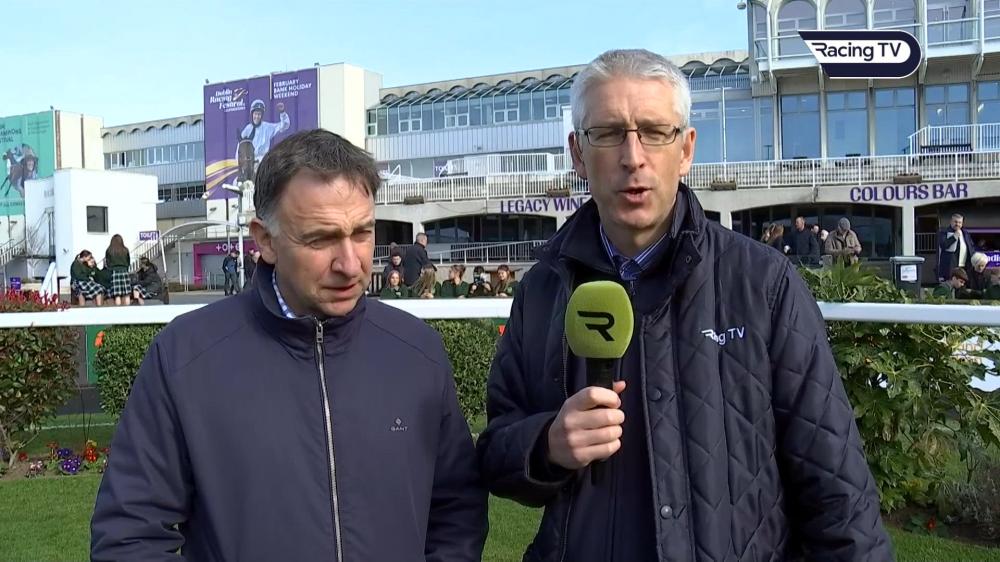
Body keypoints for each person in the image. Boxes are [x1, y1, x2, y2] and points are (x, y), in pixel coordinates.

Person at [475, 49, 890, 562]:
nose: (633, 156)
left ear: (686, 149)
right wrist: (546, 444)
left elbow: (839, 495)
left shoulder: (763, 283)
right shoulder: (542, 290)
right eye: (608, 133)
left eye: (654, 131)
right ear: (578, 154)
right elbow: (495, 450)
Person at [91, 129, 488, 561]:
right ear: (265, 240)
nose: (350, 263)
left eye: (362, 232)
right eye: (320, 239)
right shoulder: (184, 358)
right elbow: (130, 535)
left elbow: (457, 511)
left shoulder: (417, 352)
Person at [239, 99, 290, 164]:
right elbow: (240, 147)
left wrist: (282, 113)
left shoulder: (267, 127)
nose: (257, 117)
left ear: (262, 115)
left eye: (259, 114)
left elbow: (284, 126)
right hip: (250, 164)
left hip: (264, 163)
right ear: (252, 114)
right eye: (255, 114)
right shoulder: (247, 129)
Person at [937, 213, 976, 282]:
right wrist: (954, 237)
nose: (957, 224)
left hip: (964, 266)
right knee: (951, 284)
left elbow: (971, 246)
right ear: (951, 222)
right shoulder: (944, 232)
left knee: (963, 285)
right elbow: (943, 245)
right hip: (951, 267)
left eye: (959, 222)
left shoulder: (965, 233)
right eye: (955, 222)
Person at [104, 234, 131, 306]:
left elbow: (108, 262)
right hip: (124, 271)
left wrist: (111, 269)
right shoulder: (125, 250)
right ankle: (128, 309)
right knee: (126, 294)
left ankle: (118, 310)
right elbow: (128, 261)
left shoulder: (109, 250)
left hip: (114, 272)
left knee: (117, 294)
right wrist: (126, 269)